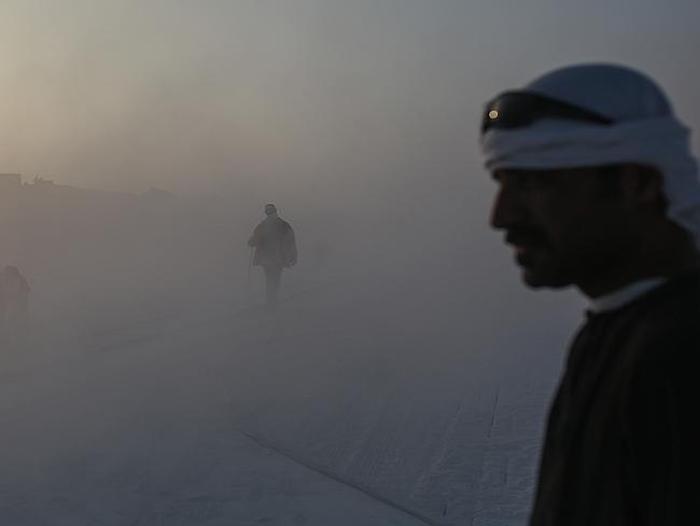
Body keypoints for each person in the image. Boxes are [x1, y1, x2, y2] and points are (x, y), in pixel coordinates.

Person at [480, 64, 697, 525]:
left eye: (533, 183)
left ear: (638, 183)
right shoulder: (619, 328)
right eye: (500, 184)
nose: (499, 217)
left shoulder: (682, 353)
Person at [247, 204, 297, 309]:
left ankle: (270, 301)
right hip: (278, 258)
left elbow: (254, 240)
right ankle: (273, 301)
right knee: (276, 279)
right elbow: (291, 241)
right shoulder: (284, 225)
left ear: (266, 213)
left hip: (266, 258)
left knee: (269, 279)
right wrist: (293, 256)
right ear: (275, 211)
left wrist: (251, 242)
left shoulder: (262, 225)